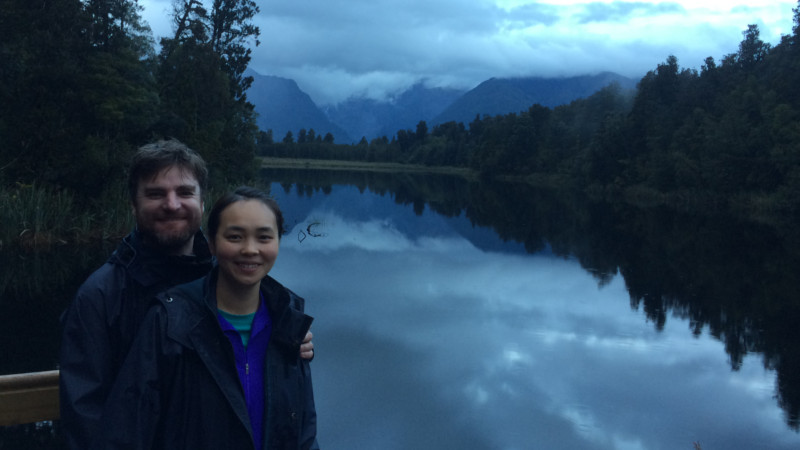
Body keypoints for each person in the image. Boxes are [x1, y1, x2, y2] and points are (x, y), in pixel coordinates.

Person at [59, 140, 313, 449]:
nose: (172, 204)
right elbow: (86, 420)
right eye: (155, 193)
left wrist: (289, 337)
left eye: (185, 192)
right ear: (133, 204)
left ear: (203, 202)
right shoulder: (100, 296)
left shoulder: (232, 279)